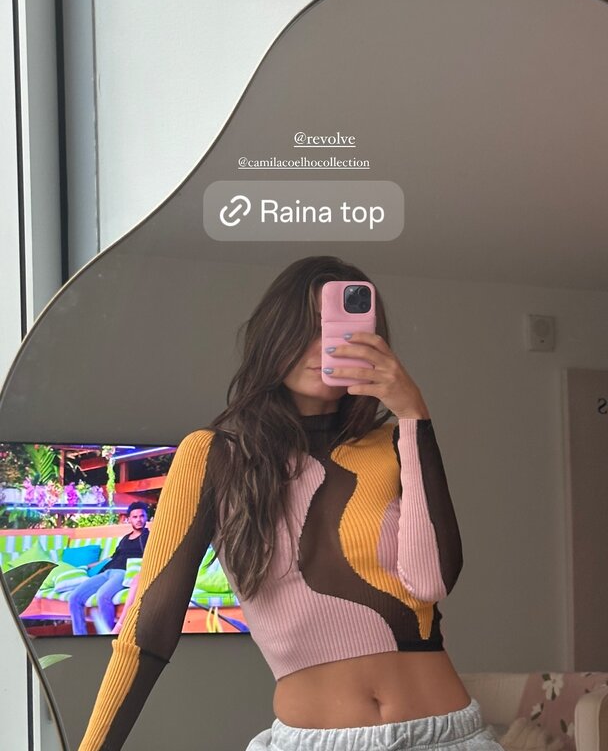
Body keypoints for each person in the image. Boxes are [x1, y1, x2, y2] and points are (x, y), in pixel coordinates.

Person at [77, 255, 502, 751]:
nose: (326, 344)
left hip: (450, 736)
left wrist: (414, 415)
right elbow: (149, 629)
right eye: (308, 327)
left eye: (341, 328)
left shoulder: (395, 442)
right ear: (274, 335)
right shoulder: (215, 456)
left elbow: (431, 582)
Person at [68, 501, 149, 636]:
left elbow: (151, 558)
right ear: (129, 519)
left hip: (122, 573)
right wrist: (88, 566)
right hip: (107, 572)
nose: (139, 520)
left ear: (146, 517)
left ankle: (106, 637)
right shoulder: (125, 538)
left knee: (103, 596)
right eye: (135, 517)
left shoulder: (148, 537)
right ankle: (79, 636)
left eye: (142, 516)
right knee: (74, 597)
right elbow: (112, 557)